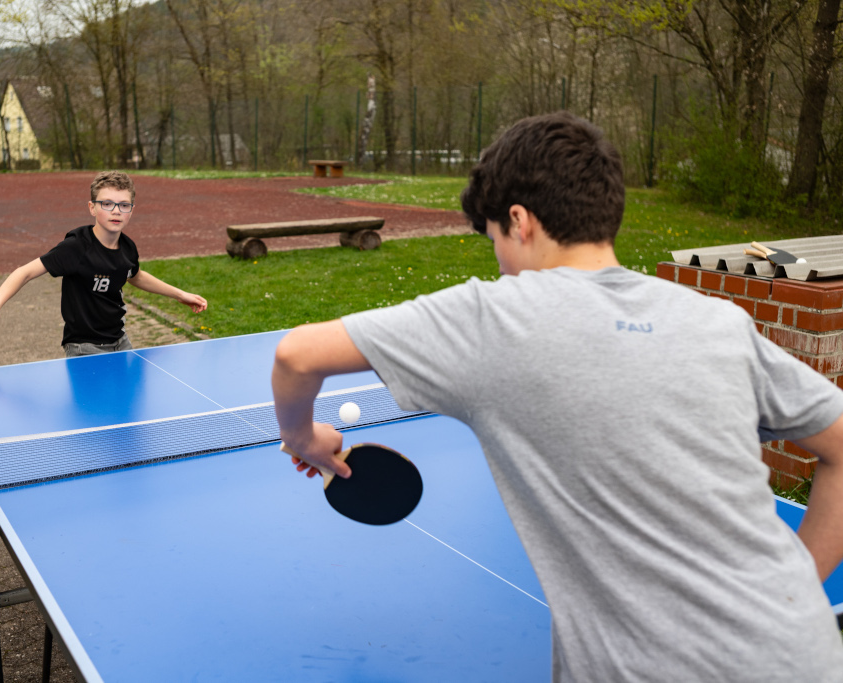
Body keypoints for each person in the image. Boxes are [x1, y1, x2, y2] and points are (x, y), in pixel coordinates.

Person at [271, 111, 843, 681]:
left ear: (519, 222)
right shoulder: (717, 321)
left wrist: (305, 439)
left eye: (494, 239)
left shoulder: (493, 319)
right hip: (806, 652)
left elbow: (297, 355)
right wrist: (795, 588)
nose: (499, 264)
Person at [0, 170, 208, 357]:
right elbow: (24, 272)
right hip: (84, 348)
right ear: (92, 208)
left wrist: (180, 294)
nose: (116, 211)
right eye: (107, 203)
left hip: (121, 341)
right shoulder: (76, 247)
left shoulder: (128, 248)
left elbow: (134, 275)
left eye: (124, 205)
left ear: (131, 210)